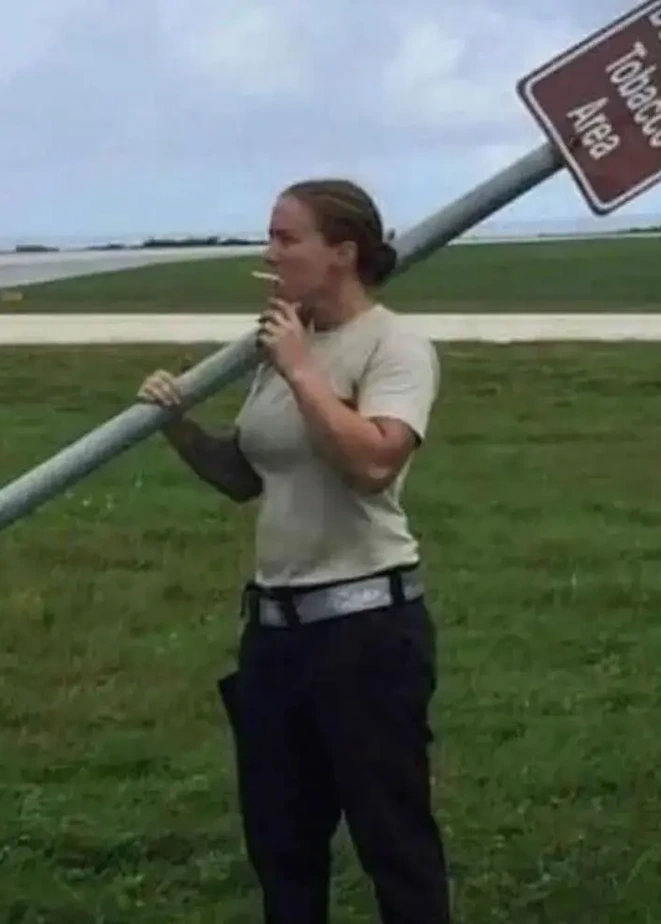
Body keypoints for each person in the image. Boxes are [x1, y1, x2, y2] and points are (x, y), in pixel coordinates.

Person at [137, 177, 451, 924]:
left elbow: (372, 464)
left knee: (393, 843)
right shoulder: (278, 345)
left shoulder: (394, 346)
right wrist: (176, 425)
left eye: (286, 238)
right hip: (276, 638)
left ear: (342, 252)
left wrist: (303, 370)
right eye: (270, 237)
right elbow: (247, 477)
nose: (270, 253)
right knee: (282, 850)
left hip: (366, 633)